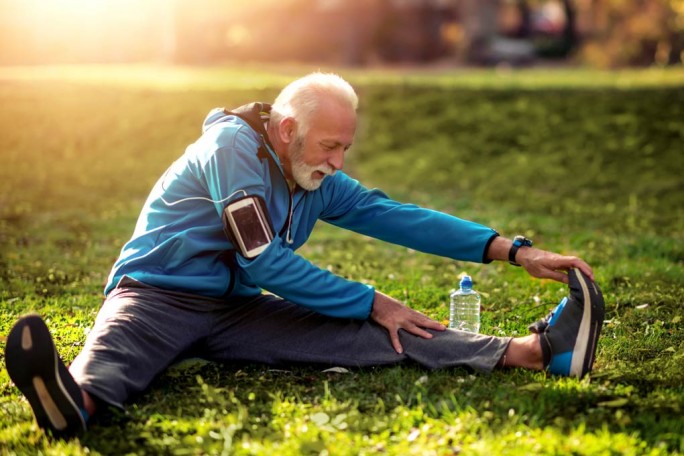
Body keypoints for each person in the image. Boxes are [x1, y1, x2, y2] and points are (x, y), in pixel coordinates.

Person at [5, 72, 604, 438]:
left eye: (346, 147)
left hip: (238, 308)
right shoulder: (231, 148)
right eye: (329, 145)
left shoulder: (315, 175)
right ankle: (70, 403)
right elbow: (264, 259)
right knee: (117, 353)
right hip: (157, 292)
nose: (338, 161)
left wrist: (512, 251)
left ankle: (537, 354)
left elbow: (398, 217)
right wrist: (371, 299)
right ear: (287, 128)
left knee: (389, 333)